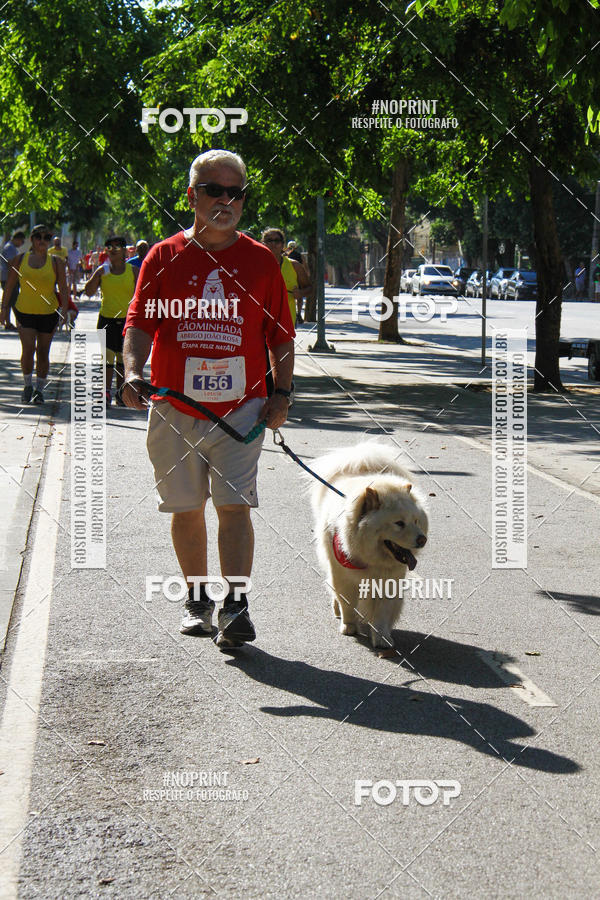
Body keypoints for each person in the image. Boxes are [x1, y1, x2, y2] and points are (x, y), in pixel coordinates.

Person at [122, 149, 294, 648]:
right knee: (186, 507)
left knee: (234, 506)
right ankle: (197, 598)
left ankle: (236, 604)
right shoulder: (164, 256)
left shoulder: (262, 262)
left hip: (242, 410)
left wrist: (281, 393)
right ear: (192, 196)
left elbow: (281, 336)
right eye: (214, 191)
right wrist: (134, 371)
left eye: (235, 192)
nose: (226, 200)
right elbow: (138, 323)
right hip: (174, 406)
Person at [0, 224, 68, 403]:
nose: (42, 241)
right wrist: (4, 309)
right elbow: (9, 286)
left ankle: (39, 390)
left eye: (47, 238)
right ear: (32, 239)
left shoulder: (56, 262)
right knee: (28, 349)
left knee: (43, 352)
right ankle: (27, 385)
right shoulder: (20, 259)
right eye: (39, 237)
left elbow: (63, 289)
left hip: (48, 313)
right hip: (25, 311)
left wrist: (65, 311)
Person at [84, 235, 139, 406]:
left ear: (124, 250)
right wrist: (97, 275)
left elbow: (141, 295)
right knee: (106, 359)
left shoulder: (133, 271)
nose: (113, 250)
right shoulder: (103, 271)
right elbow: (88, 292)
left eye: (118, 246)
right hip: (106, 319)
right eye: (110, 247)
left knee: (123, 359)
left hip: (126, 320)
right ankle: (105, 393)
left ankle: (121, 393)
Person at [262, 228, 311, 325]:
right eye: (269, 240)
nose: (273, 244)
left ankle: (298, 315)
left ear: (283, 245)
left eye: (277, 241)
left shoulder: (294, 266)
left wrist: (300, 293)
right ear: (263, 243)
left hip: (285, 320)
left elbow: (309, 288)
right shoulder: (255, 265)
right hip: (260, 320)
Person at [0, 231, 25, 330]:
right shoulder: (10, 248)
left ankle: (9, 322)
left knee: (10, 301)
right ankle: (13, 322)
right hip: (9, 278)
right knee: (13, 301)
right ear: (17, 239)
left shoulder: (11, 247)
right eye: (22, 242)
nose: (21, 244)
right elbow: (11, 263)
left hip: (9, 277)